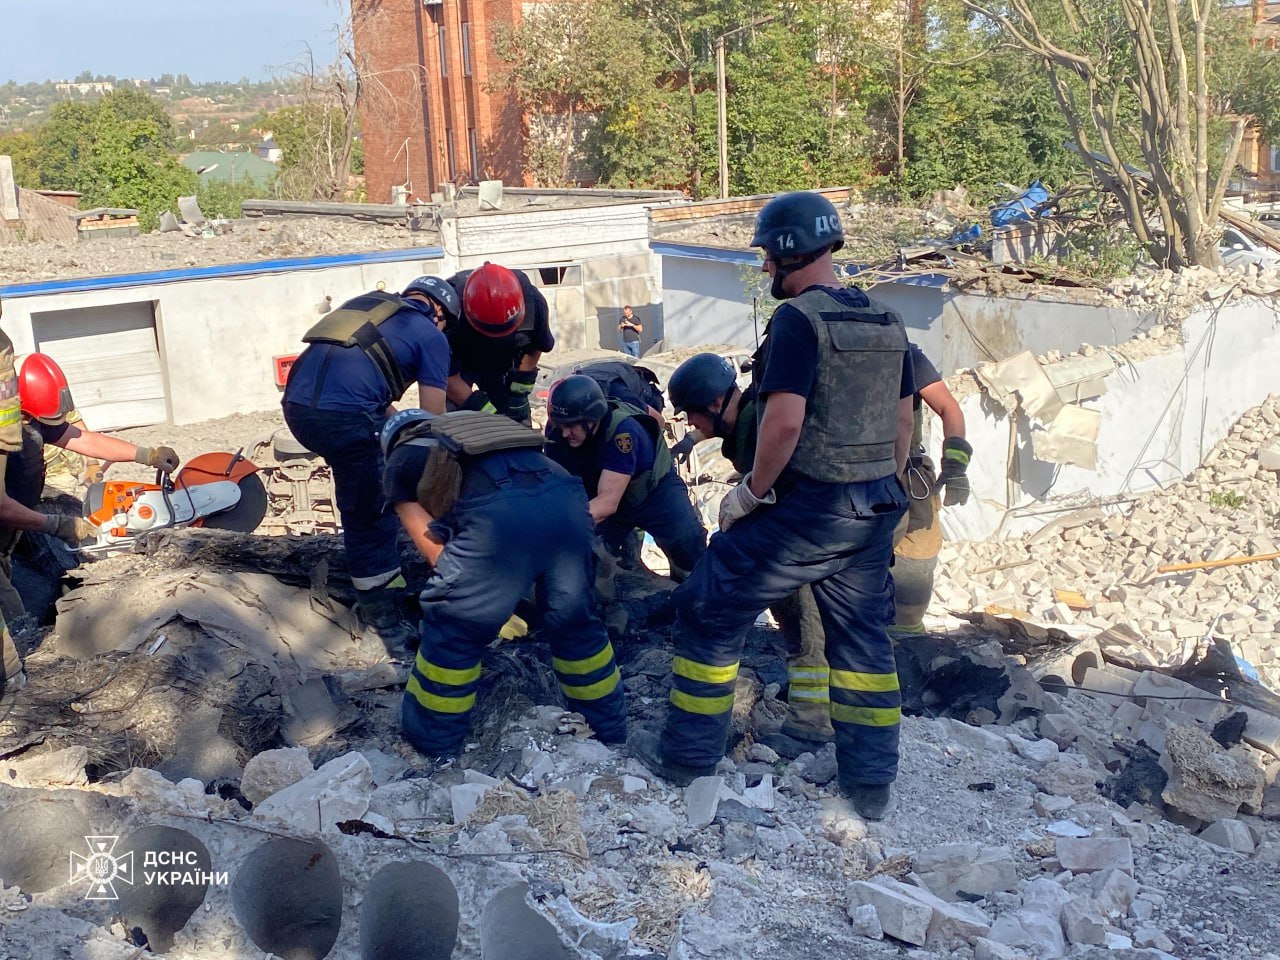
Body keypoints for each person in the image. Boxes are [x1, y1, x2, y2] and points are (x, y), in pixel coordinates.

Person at [631, 191, 913, 821]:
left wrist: (751, 494)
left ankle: (686, 760)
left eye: (766, 256)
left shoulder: (798, 323)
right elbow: (903, 422)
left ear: (787, 251)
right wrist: (880, 492)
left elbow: (784, 424)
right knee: (862, 642)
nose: (764, 269)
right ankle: (870, 785)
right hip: (872, 508)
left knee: (708, 605)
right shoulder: (886, 321)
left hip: (809, 507)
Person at [668, 343, 971, 754]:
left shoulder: (896, 358)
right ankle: (866, 733)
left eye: (695, 415)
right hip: (870, 505)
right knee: (855, 623)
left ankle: (814, 722)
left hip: (852, 511)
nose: (694, 424)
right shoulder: (771, 406)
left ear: (718, 401)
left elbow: (924, 420)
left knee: (810, 610)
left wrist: (949, 467)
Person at [380, 408, 626, 758]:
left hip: (501, 520)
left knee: (453, 631)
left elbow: (437, 553)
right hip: (568, 504)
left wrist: (484, 602)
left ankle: (433, 744)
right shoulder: (473, 431)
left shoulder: (400, 461)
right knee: (575, 625)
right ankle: (609, 731)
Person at [282, 278, 452, 658]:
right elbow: (434, 420)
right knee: (372, 512)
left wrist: (395, 426)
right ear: (440, 312)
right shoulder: (430, 333)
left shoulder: (369, 305)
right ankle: (383, 620)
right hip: (344, 419)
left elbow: (369, 394)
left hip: (297, 409)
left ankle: (387, 577)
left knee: (370, 477)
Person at [0, 353, 178, 621]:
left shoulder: (30, 420)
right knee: (16, 626)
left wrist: (145, 454)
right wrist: (57, 525)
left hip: (8, 533)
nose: (30, 424)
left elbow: (83, 440)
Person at [543, 375, 706, 581]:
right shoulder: (557, 432)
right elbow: (555, 484)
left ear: (592, 420)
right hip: (605, 498)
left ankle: (694, 591)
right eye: (561, 425)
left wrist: (561, 521)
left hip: (654, 493)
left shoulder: (623, 433)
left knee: (687, 543)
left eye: (572, 426)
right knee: (590, 557)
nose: (565, 433)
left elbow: (607, 502)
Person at [442, 263, 554, 424]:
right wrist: (486, 413)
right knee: (454, 425)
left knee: (517, 424)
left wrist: (519, 389)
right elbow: (448, 378)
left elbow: (536, 347)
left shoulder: (534, 304)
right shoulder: (448, 312)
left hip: (503, 365)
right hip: (461, 365)